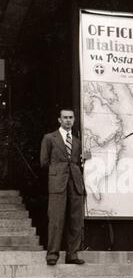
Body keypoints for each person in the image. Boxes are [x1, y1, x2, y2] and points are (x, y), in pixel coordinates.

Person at [40, 109, 85, 266]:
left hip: (75, 183)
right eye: (65, 117)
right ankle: (52, 254)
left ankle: (72, 254)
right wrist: (58, 172)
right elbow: (44, 162)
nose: (68, 120)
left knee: (75, 220)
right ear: (59, 119)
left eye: (71, 118)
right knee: (56, 219)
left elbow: (79, 163)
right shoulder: (49, 138)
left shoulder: (78, 141)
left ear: (74, 120)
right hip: (58, 183)